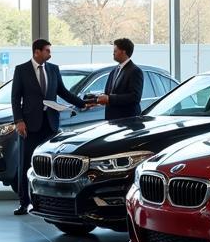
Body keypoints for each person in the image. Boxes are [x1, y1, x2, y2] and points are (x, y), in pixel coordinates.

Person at [11, 38, 88, 215]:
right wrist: (19, 121)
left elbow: (63, 91)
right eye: (47, 51)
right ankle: (24, 202)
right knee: (25, 163)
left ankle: (48, 201)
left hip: (50, 124)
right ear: (36, 52)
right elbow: (15, 98)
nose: (50, 54)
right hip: (29, 125)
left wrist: (82, 104)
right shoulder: (21, 70)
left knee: (48, 165)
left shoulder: (53, 69)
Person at [92, 38, 144, 122]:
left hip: (127, 121)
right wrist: (98, 99)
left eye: (115, 51)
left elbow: (135, 97)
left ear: (123, 52)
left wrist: (109, 99)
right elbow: (109, 93)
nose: (113, 53)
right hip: (112, 119)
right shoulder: (114, 70)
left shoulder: (135, 71)